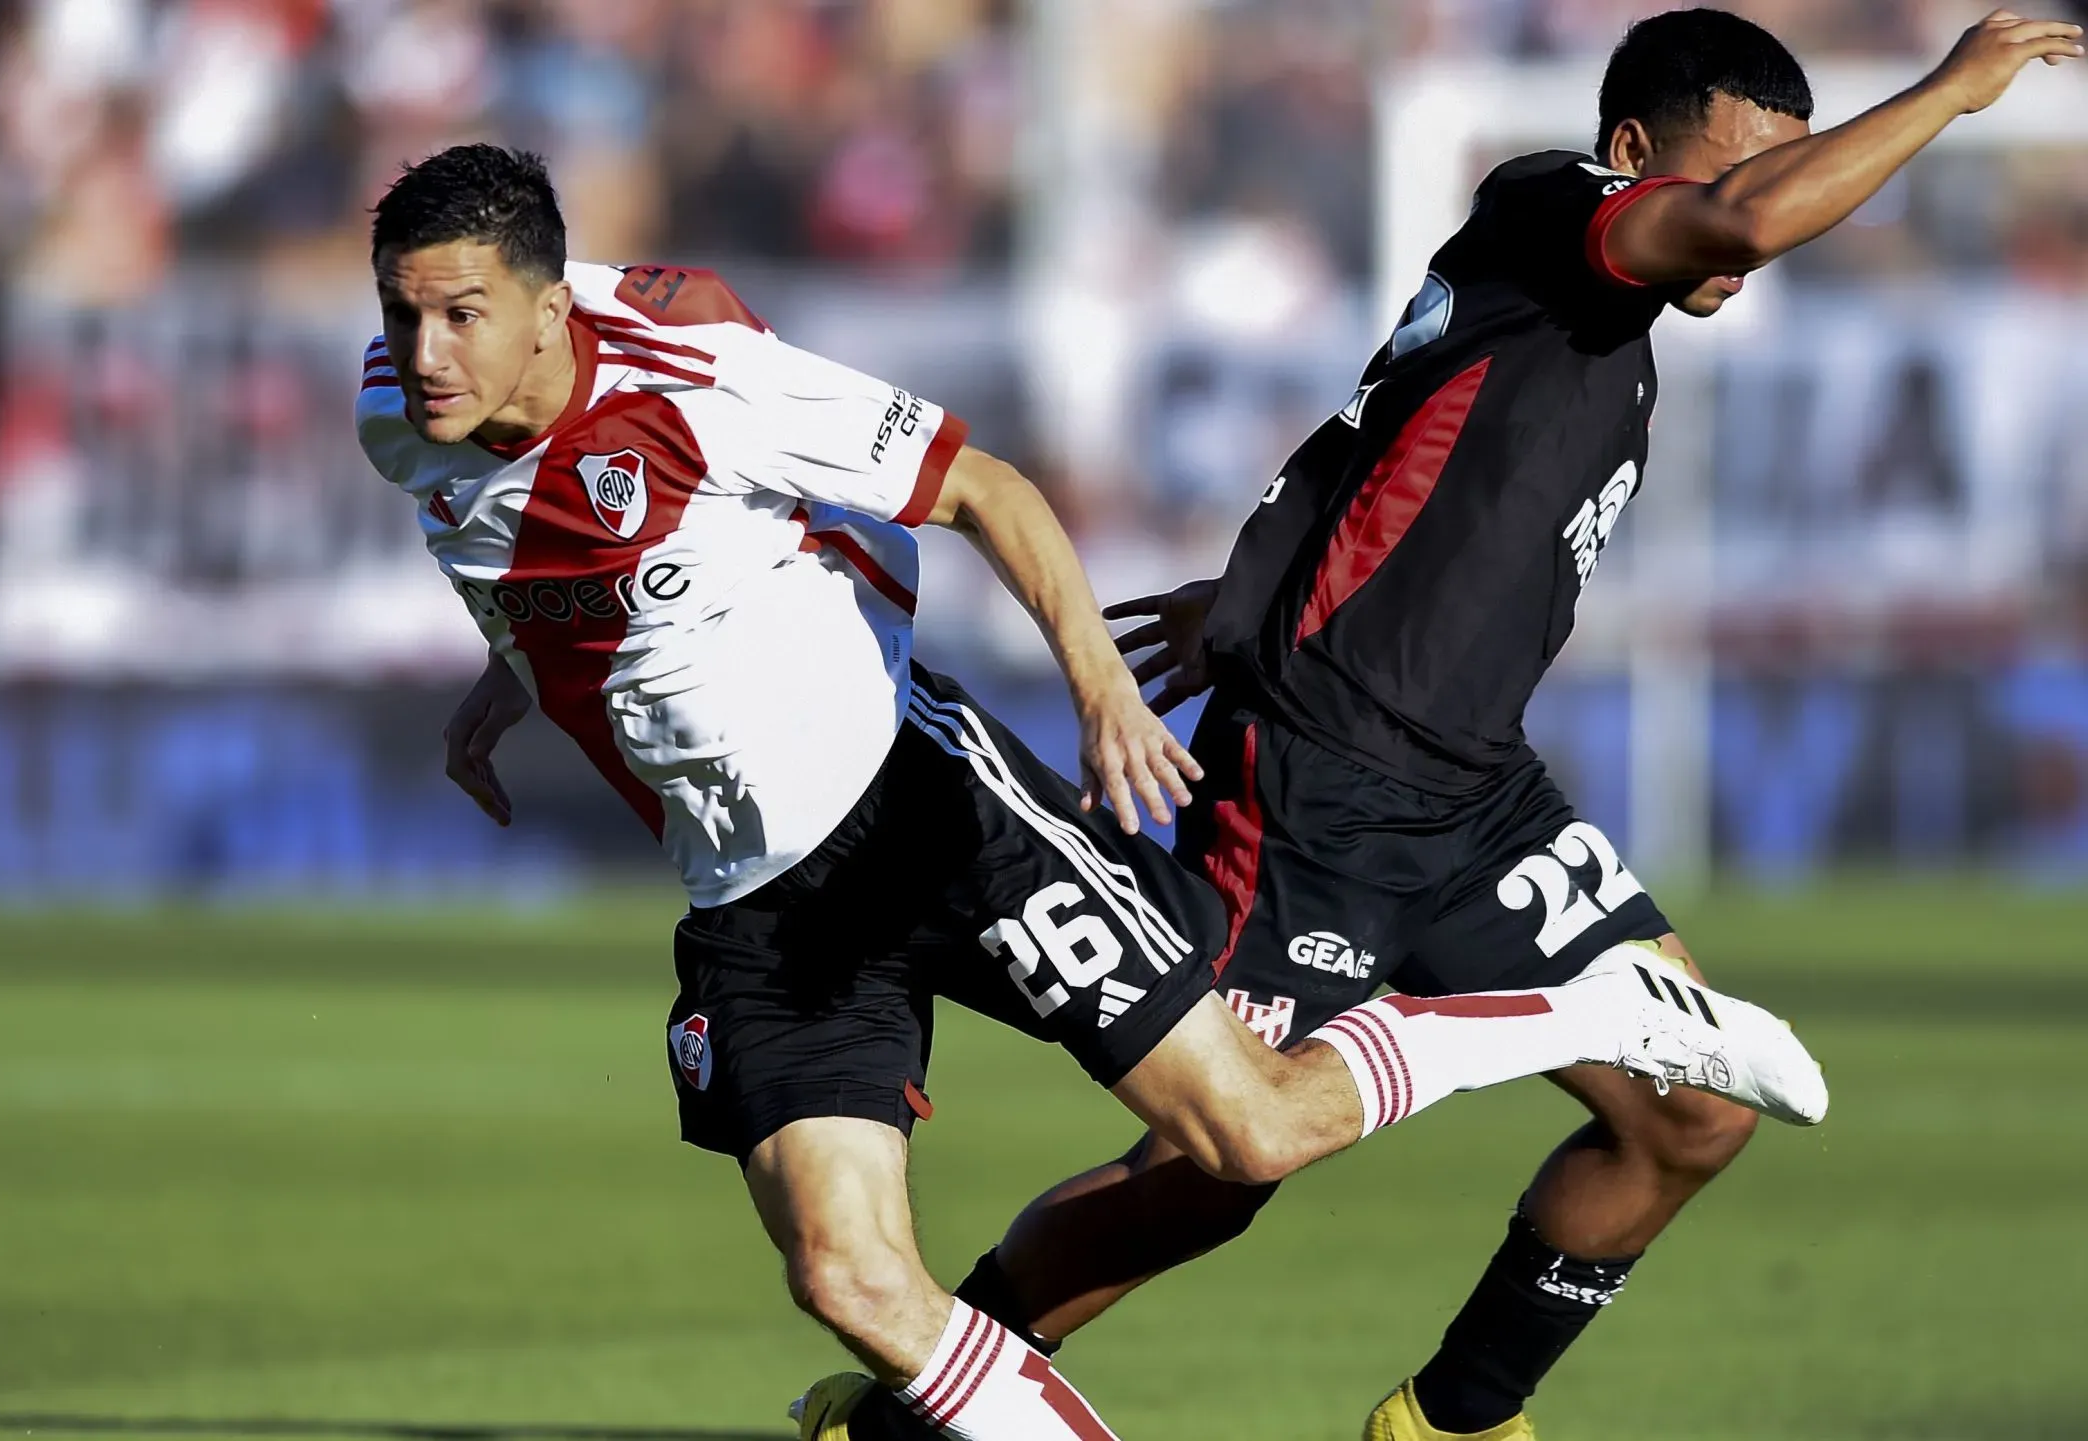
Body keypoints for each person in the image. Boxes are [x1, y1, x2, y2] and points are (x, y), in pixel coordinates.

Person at [354, 143, 1824, 1441]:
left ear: (549, 306)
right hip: (753, 898)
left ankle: (1591, 1017)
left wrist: (1103, 691)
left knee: (1244, 1139)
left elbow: (985, 489)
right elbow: (530, 547)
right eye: (403, 312)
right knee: (849, 1280)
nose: (423, 351)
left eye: (460, 313)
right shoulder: (394, 411)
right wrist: (523, 670)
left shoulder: (704, 385)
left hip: (931, 814)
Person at [810, 10, 2080, 1441]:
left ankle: (1452, 1423)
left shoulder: (1593, 323)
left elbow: (1385, 427)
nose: (1744, 224)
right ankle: (915, 1408)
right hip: (1319, 790)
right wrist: (1950, 90)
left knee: (1691, 1105)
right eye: (1724, 172)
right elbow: (1740, 223)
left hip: (1478, 802)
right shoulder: (1557, 213)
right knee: (1220, 1163)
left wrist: (1257, 586)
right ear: (1630, 154)